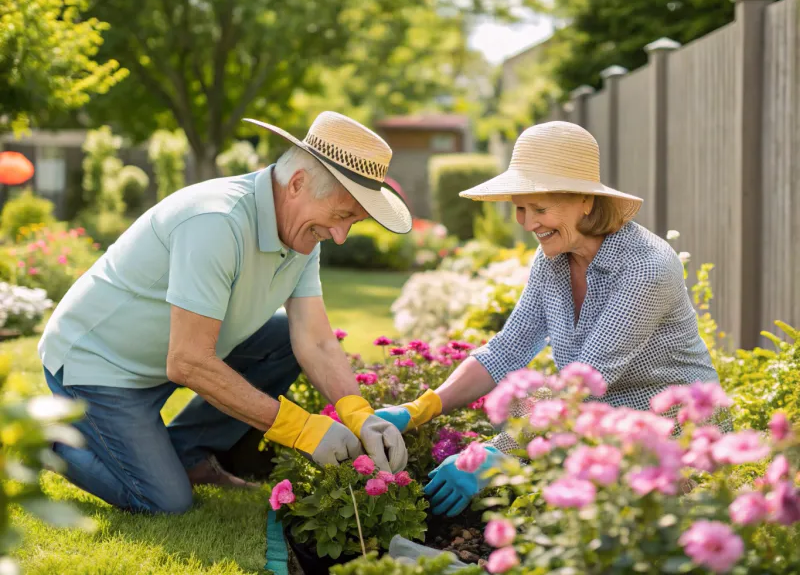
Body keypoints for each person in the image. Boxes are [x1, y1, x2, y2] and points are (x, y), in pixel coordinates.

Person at [38, 111, 412, 515]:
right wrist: (301, 429)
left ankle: (186, 453)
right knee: (166, 502)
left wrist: (360, 415)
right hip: (99, 365)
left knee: (284, 341)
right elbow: (189, 361)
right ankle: (39, 439)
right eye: (340, 216)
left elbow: (316, 341)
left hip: (162, 358)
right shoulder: (216, 221)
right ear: (298, 184)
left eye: (351, 223)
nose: (340, 236)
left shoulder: (304, 233)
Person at [376, 121, 727, 517]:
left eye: (540, 209)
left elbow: (585, 380)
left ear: (586, 202)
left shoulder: (646, 267)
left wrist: (494, 453)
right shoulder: (553, 261)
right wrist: (420, 408)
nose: (527, 223)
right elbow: (506, 350)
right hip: (598, 428)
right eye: (521, 209)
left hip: (677, 441)